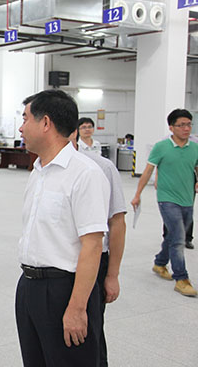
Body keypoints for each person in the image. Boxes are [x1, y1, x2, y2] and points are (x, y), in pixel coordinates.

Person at [16, 89, 109, 366]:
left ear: (45, 123)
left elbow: (92, 245)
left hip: (64, 290)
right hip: (29, 286)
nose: (21, 128)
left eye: (25, 119)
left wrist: (77, 308)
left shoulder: (85, 174)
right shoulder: (38, 171)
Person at [71, 129, 126, 367]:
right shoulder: (42, 168)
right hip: (58, 270)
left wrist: (112, 275)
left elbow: (117, 222)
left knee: (91, 331)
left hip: (93, 263)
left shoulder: (100, 168)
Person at [131, 108, 198, 297]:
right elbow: (148, 171)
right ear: (171, 127)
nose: (186, 128)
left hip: (187, 198)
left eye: (189, 124)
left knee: (174, 235)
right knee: (179, 238)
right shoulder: (161, 147)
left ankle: (160, 263)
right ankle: (181, 279)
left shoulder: (194, 147)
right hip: (167, 199)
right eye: (181, 125)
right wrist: (137, 194)